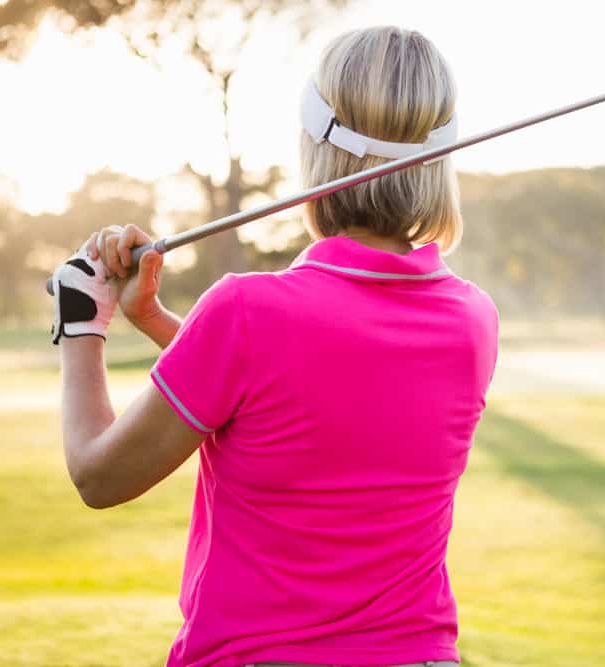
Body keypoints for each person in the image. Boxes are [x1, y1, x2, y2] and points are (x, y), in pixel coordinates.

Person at [50, 26, 498, 667]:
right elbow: (302, 391)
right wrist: (156, 322)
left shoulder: (246, 313)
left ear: (316, 150)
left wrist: (81, 324)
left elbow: (99, 476)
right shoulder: (474, 320)